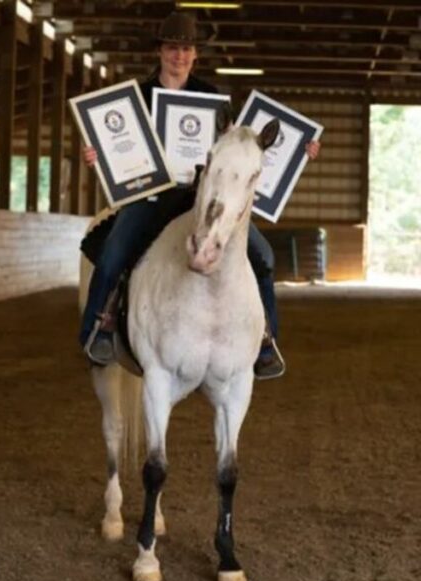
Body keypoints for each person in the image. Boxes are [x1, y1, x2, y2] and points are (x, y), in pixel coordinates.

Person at [79, 11, 320, 380]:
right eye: (172, 48)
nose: (179, 56)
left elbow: (242, 147)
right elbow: (117, 144)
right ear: (160, 51)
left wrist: (299, 151)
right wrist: (98, 154)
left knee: (265, 258)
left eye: (186, 49)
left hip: (198, 200)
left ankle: (264, 342)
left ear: (195, 55)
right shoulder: (137, 97)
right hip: (151, 196)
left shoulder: (213, 100)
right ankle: (97, 332)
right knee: (113, 254)